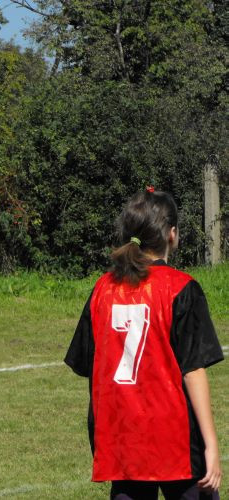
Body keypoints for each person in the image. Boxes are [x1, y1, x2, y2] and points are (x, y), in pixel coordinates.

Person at [65, 187, 223, 499]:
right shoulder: (181, 288)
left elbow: (89, 365)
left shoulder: (102, 290)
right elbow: (193, 371)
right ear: (172, 235)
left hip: (122, 438)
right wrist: (212, 444)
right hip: (175, 439)